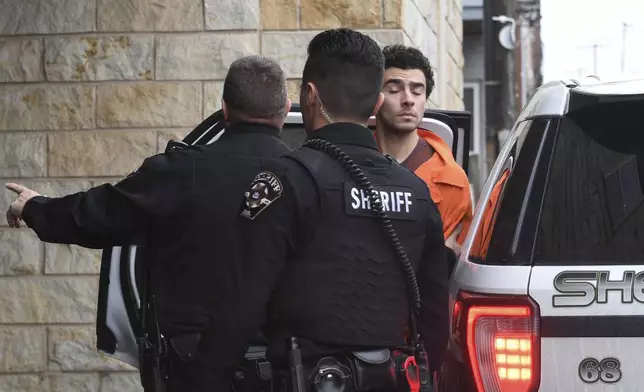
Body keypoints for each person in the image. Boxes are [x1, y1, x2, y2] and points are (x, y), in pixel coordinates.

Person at [5, 55, 293, 392]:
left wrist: (35, 207)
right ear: (286, 109)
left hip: (192, 368)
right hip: (285, 366)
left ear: (225, 108)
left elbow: (96, 216)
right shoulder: (311, 176)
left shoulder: (177, 172)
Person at [227, 28, 450, 391]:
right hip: (390, 379)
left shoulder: (286, 180)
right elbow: (436, 315)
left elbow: (241, 302)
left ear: (310, 96)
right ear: (377, 104)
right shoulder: (416, 191)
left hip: (304, 377)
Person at [374, 44, 473, 255]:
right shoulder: (349, 162)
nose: (408, 100)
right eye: (394, 90)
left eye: (417, 91)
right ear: (375, 98)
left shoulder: (452, 180)